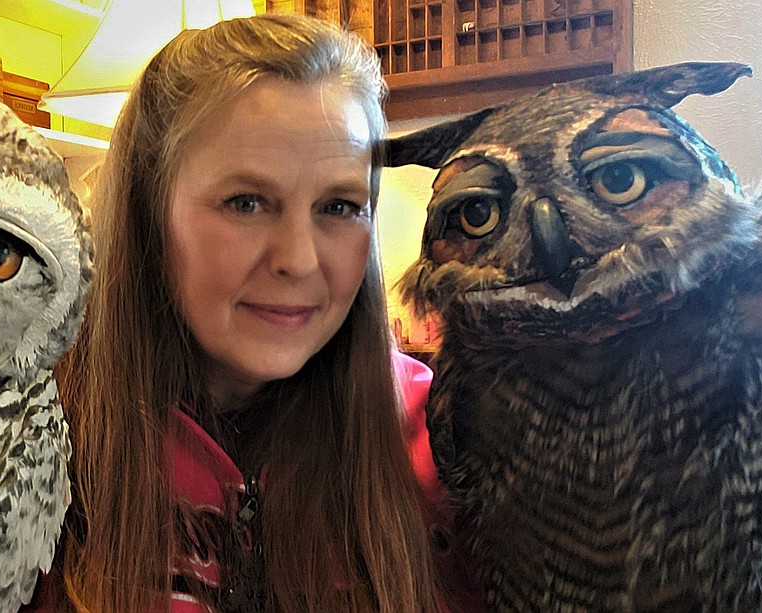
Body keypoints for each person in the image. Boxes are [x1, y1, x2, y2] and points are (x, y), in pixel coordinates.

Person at [37, 12, 464, 612]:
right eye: (246, 202)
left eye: (339, 206)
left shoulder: (445, 437)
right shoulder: (38, 436)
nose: (298, 259)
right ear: (148, 214)